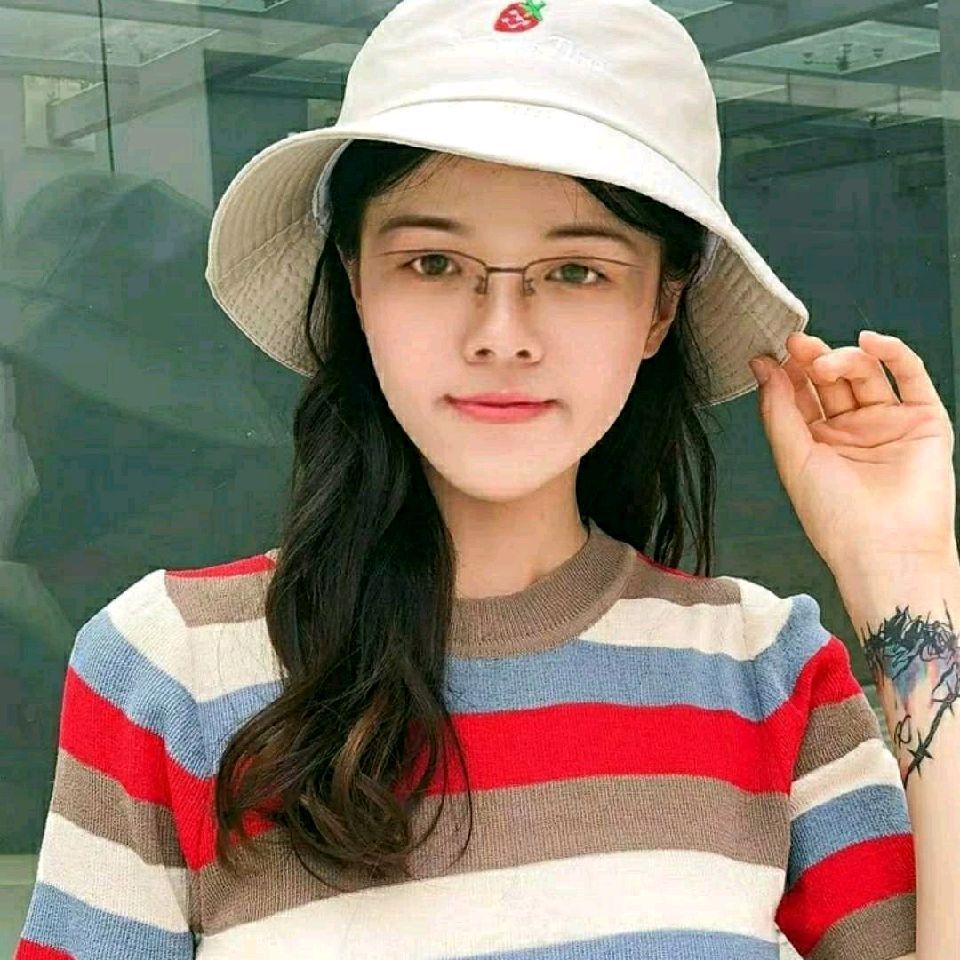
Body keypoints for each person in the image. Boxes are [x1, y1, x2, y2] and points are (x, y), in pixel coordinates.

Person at [17, 0, 960, 957]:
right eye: (433, 262)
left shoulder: (768, 671)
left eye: (577, 271)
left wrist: (905, 571)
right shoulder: (168, 667)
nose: (501, 335)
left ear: (660, 308)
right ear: (356, 282)